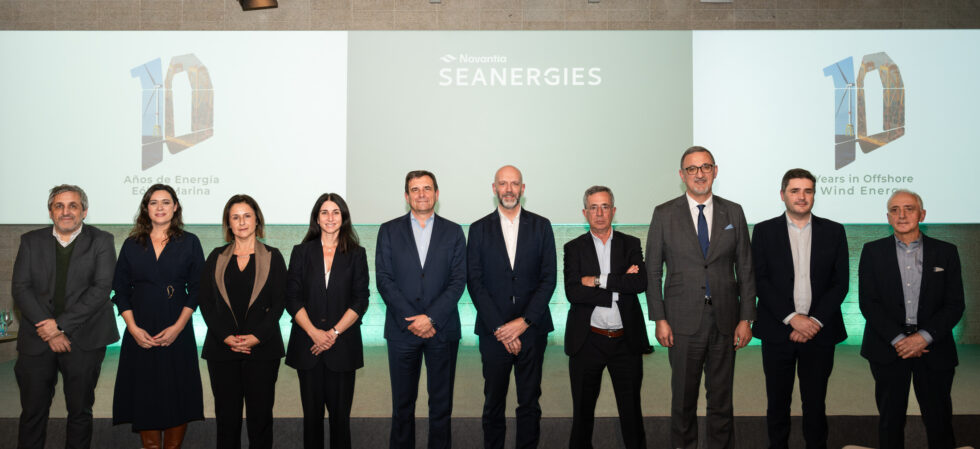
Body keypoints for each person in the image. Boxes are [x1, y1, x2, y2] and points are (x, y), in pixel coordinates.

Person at [645, 146, 756, 449]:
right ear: (682, 175)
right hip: (681, 322)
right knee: (683, 400)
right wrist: (659, 319)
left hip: (726, 321)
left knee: (721, 400)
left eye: (705, 167)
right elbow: (652, 271)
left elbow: (746, 268)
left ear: (715, 171)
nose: (699, 174)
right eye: (692, 169)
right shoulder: (664, 213)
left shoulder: (733, 212)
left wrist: (746, 318)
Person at [11, 184, 119, 449]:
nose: (66, 211)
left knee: (80, 411)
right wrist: (49, 330)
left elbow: (101, 289)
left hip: (84, 339)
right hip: (37, 339)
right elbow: (21, 288)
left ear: (84, 211)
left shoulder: (102, 241)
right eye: (59, 206)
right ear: (50, 212)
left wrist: (59, 326)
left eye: (73, 206)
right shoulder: (30, 241)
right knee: (32, 412)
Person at [859, 190, 964, 449]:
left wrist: (922, 338)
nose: (902, 215)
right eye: (894, 210)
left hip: (934, 347)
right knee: (890, 420)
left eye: (909, 208)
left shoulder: (946, 252)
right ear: (888, 217)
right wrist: (899, 340)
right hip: (887, 348)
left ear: (922, 214)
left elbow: (954, 304)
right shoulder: (872, 251)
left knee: (939, 420)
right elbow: (868, 303)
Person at [751, 169, 849, 449]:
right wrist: (793, 318)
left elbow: (840, 283)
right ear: (783, 195)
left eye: (808, 191)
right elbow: (759, 279)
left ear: (814, 195)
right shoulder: (764, 231)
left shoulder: (834, 231)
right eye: (795, 191)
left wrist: (813, 321)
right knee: (777, 402)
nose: (802, 196)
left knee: (815, 402)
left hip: (820, 332)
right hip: (777, 331)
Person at [466, 165, 556, 449]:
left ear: (523, 189)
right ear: (494, 188)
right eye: (503, 184)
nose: (508, 189)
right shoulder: (478, 229)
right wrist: (501, 328)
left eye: (514, 183)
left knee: (529, 402)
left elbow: (549, 279)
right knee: (493, 402)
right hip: (494, 332)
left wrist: (524, 322)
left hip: (532, 330)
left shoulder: (542, 226)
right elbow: (475, 282)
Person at [376, 170, 466, 449]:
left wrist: (431, 318)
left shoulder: (454, 231)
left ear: (436, 194)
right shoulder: (388, 230)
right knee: (402, 405)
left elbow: (458, 280)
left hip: (443, 329)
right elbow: (384, 279)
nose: (422, 194)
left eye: (427, 188)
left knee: (441, 405)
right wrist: (413, 320)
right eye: (415, 189)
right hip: (402, 331)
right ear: (407, 196)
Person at [112, 184, 205, 449]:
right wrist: (132, 328)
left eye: (166, 202)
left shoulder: (190, 242)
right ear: (146, 208)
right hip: (140, 331)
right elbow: (120, 290)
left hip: (177, 329)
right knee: (145, 393)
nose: (160, 207)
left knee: (177, 392)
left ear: (175, 207)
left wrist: (178, 327)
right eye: (154, 202)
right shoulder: (131, 244)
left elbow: (198, 289)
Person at [563, 186, 649, 449]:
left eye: (604, 207)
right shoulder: (573, 248)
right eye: (593, 207)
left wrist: (598, 280)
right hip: (587, 341)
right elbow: (573, 292)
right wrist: (619, 283)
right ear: (584, 213)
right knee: (582, 414)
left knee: (631, 412)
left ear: (613, 211)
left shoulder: (630, 244)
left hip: (626, 342)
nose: (599, 213)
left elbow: (639, 283)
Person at [198, 194, 287, 449]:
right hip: (222, 349)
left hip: (263, 350)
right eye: (235, 217)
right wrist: (225, 336)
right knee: (227, 421)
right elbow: (205, 302)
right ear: (228, 223)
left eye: (247, 216)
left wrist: (257, 336)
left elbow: (280, 302)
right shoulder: (216, 256)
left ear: (257, 220)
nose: (242, 222)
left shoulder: (273, 256)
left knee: (260, 420)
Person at [285, 193, 370, 449]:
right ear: (316, 218)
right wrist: (314, 332)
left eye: (336, 212)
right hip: (307, 346)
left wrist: (333, 333)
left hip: (342, 347)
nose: (330, 217)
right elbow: (292, 298)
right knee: (311, 419)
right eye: (324, 212)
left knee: (340, 420)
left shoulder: (357, 254)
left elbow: (360, 300)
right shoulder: (301, 252)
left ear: (344, 217)